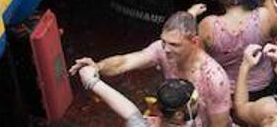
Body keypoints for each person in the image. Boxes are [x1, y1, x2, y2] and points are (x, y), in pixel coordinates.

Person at [92, 11, 234, 127]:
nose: (166, 49)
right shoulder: (161, 49)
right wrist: (97, 67)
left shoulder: (214, 78)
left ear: (195, 42)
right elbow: (124, 62)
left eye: (174, 44)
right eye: (164, 41)